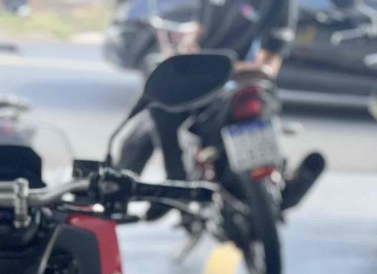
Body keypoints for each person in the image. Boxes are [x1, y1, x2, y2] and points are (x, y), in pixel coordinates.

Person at [124, 0, 307, 213]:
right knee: (152, 112)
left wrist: (219, 70)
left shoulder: (278, 4)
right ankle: (172, 183)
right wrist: (186, 45)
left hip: (243, 86)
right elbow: (199, 30)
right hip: (207, 82)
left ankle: (176, 184)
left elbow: (268, 64)